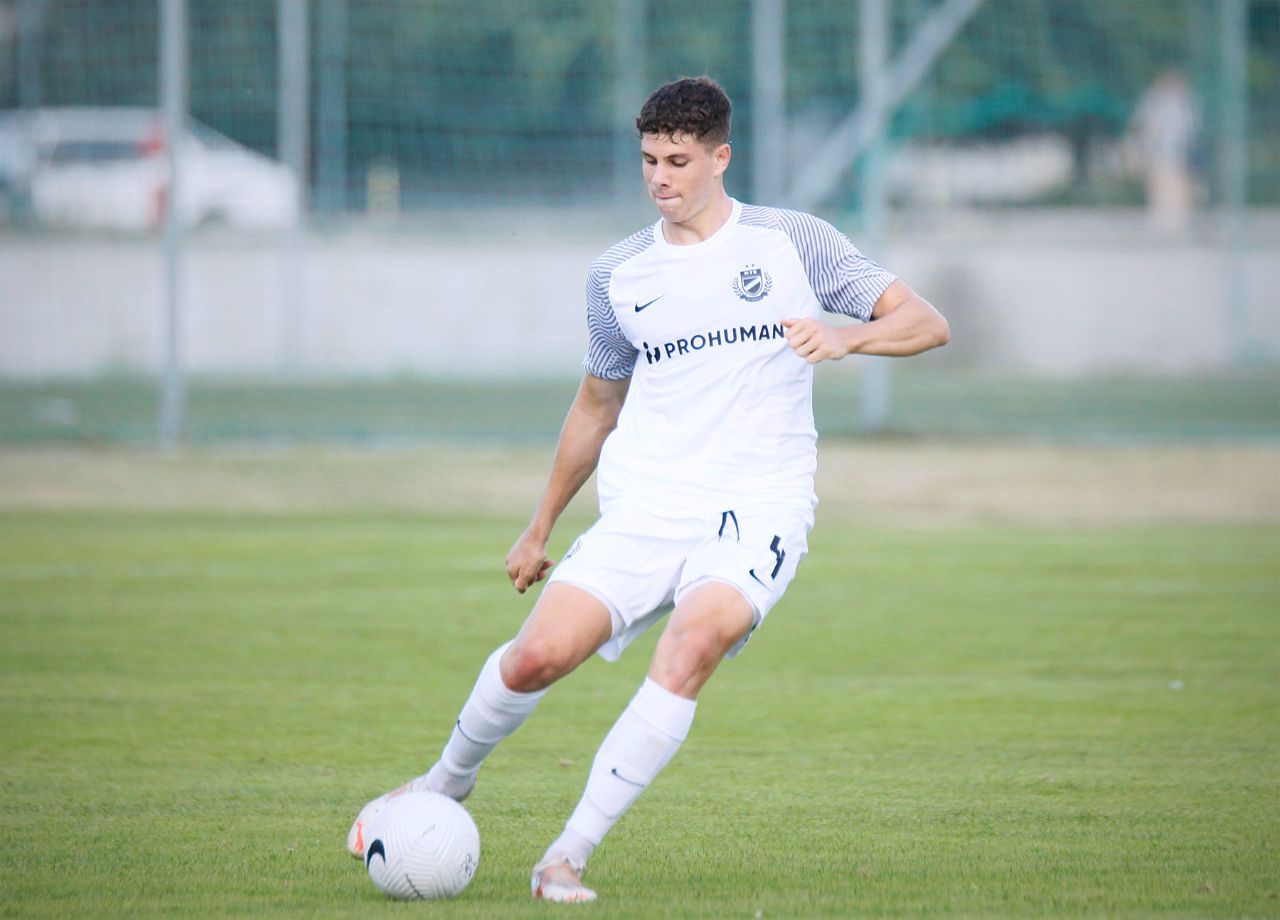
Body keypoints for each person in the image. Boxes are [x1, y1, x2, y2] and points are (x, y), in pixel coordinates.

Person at [347, 76, 949, 903]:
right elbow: (596, 406)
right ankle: (445, 781)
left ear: (720, 157)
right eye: (649, 160)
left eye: (677, 161)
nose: (660, 177)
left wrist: (847, 339)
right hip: (649, 505)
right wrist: (538, 526)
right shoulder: (618, 274)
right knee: (535, 659)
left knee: (690, 647)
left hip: (758, 506)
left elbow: (926, 322)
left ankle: (565, 857)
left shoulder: (792, 242)